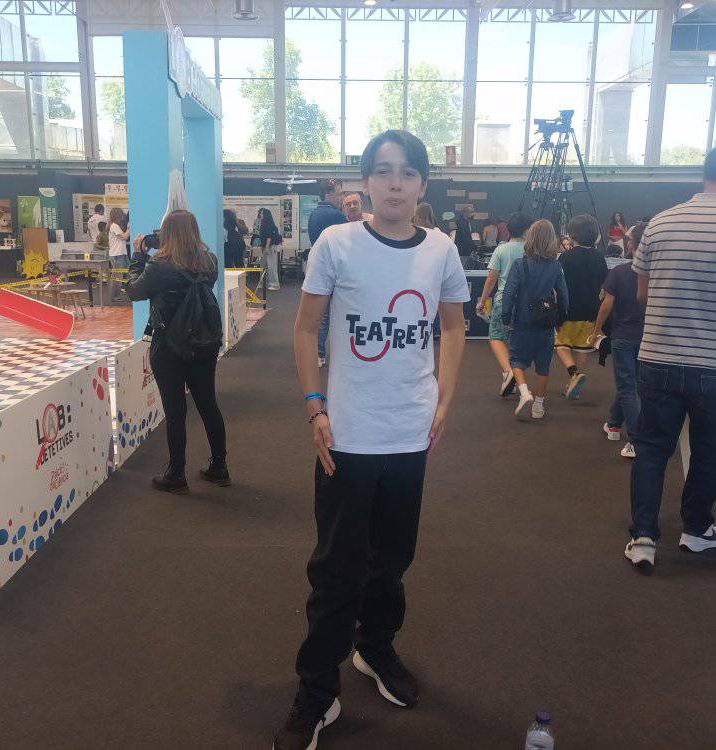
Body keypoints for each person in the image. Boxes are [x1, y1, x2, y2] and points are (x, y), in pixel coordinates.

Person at [274, 130, 469, 750]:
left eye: (407, 173)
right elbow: (305, 329)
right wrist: (315, 405)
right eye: (383, 171)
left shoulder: (440, 250)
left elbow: (454, 328)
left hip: (410, 436)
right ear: (364, 182)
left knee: (391, 562)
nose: (394, 184)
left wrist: (444, 399)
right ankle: (317, 691)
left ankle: (375, 648)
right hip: (348, 436)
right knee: (337, 571)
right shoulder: (337, 244)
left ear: (422, 184)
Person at [624, 150, 716, 569]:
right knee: (709, 450)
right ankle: (696, 529)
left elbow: (643, 294)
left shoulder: (660, 223)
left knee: (651, 450)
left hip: (659, 357)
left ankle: (643, 537)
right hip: (712, 364)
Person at [126, 209, 229, 494]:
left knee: (175, 411)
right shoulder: (209, 261)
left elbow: (134, 291)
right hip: (204, 342)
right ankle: (219, 466)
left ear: (167, 234)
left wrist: (138, 256)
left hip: (169, 345)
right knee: (208, 404)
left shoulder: (158, 266)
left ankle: (176, 473)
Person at [588, 221, 646, 460]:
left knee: (627, 387)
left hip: (622, 337)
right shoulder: (659, 274)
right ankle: (613, 424)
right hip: (648, 338)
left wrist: (596, 331)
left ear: (632, 245)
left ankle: (635, 440)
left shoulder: (619, 273)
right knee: (632, 385)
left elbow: (606, 305)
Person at [501, 220, 569, 420]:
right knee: (543, 365)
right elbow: (564, 295)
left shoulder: (519, 264)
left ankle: (524, 392)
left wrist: (506, 315)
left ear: (530, 238)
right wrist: (561, 317)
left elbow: (508, 293)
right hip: (546, 321)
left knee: (516, 359)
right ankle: (539, 405)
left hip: (522, 319)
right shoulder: (556, 266)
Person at [476, 211, 533, 396]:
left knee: (495, 336)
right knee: (517, 340)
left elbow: (491, 278)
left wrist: (482, 300)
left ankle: (508, 372)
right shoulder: (533, 250)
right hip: (527, 303)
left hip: (504, 300)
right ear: (527, 231)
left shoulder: (501, 250)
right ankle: (514, 376)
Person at [554, 214, 608, 400]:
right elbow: (604, 283)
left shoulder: (565, 257)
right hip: (591, 310)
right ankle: (573, 386)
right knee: (582, 348)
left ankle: (574, 374)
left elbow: (559, 285)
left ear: (572, 235)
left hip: (569, 309)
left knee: (561, 345)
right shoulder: (599, 257)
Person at [308, 179, 347, 368]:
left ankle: (318, 352)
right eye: (339, 194)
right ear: (328, 194)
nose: (342, 198)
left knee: (320, 315)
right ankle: (323, 353)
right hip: (337, 271)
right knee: (335, 315)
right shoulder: (336, 216)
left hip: (318, 268)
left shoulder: (314, 214)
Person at [107, 207, 131, 303]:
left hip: (120, 254)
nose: (122, 217)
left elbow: (120, 240)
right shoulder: (114, 226)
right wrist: (129, 228)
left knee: (128, 273)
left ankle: (129, 293)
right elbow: (124, 237)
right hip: (118, 255)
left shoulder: (113, 226)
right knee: (117, 277)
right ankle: (114, 296)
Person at [258, 207, 282, 291]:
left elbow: (269, 237)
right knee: (263, 265)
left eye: (262, 213)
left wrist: (267, 248)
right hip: (266, 247)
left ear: (265, 215)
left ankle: (274, 284)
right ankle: (264, 283)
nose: (260, 215)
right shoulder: (263, 223)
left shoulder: (268, 224)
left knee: (271, 265)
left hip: (270, 247)